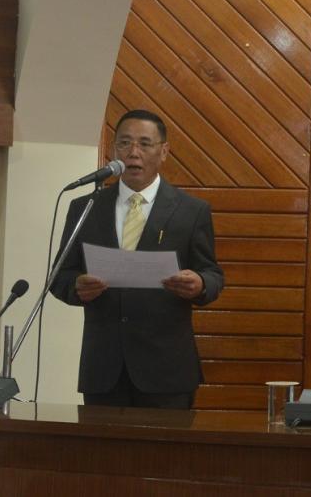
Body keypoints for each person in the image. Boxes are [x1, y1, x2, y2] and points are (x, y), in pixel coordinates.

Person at [51, 109, 223, 409]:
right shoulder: (86, 207)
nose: (133, 153)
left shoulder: (191, 211)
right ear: (113, 150)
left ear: (164, 151)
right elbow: (60, 277)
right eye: (124, 144)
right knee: (101, 456)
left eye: (144, 144)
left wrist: (199, 284)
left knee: (164, 456)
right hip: (103, 369)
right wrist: (76, 286)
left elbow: (212, 274)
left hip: (166, 370)